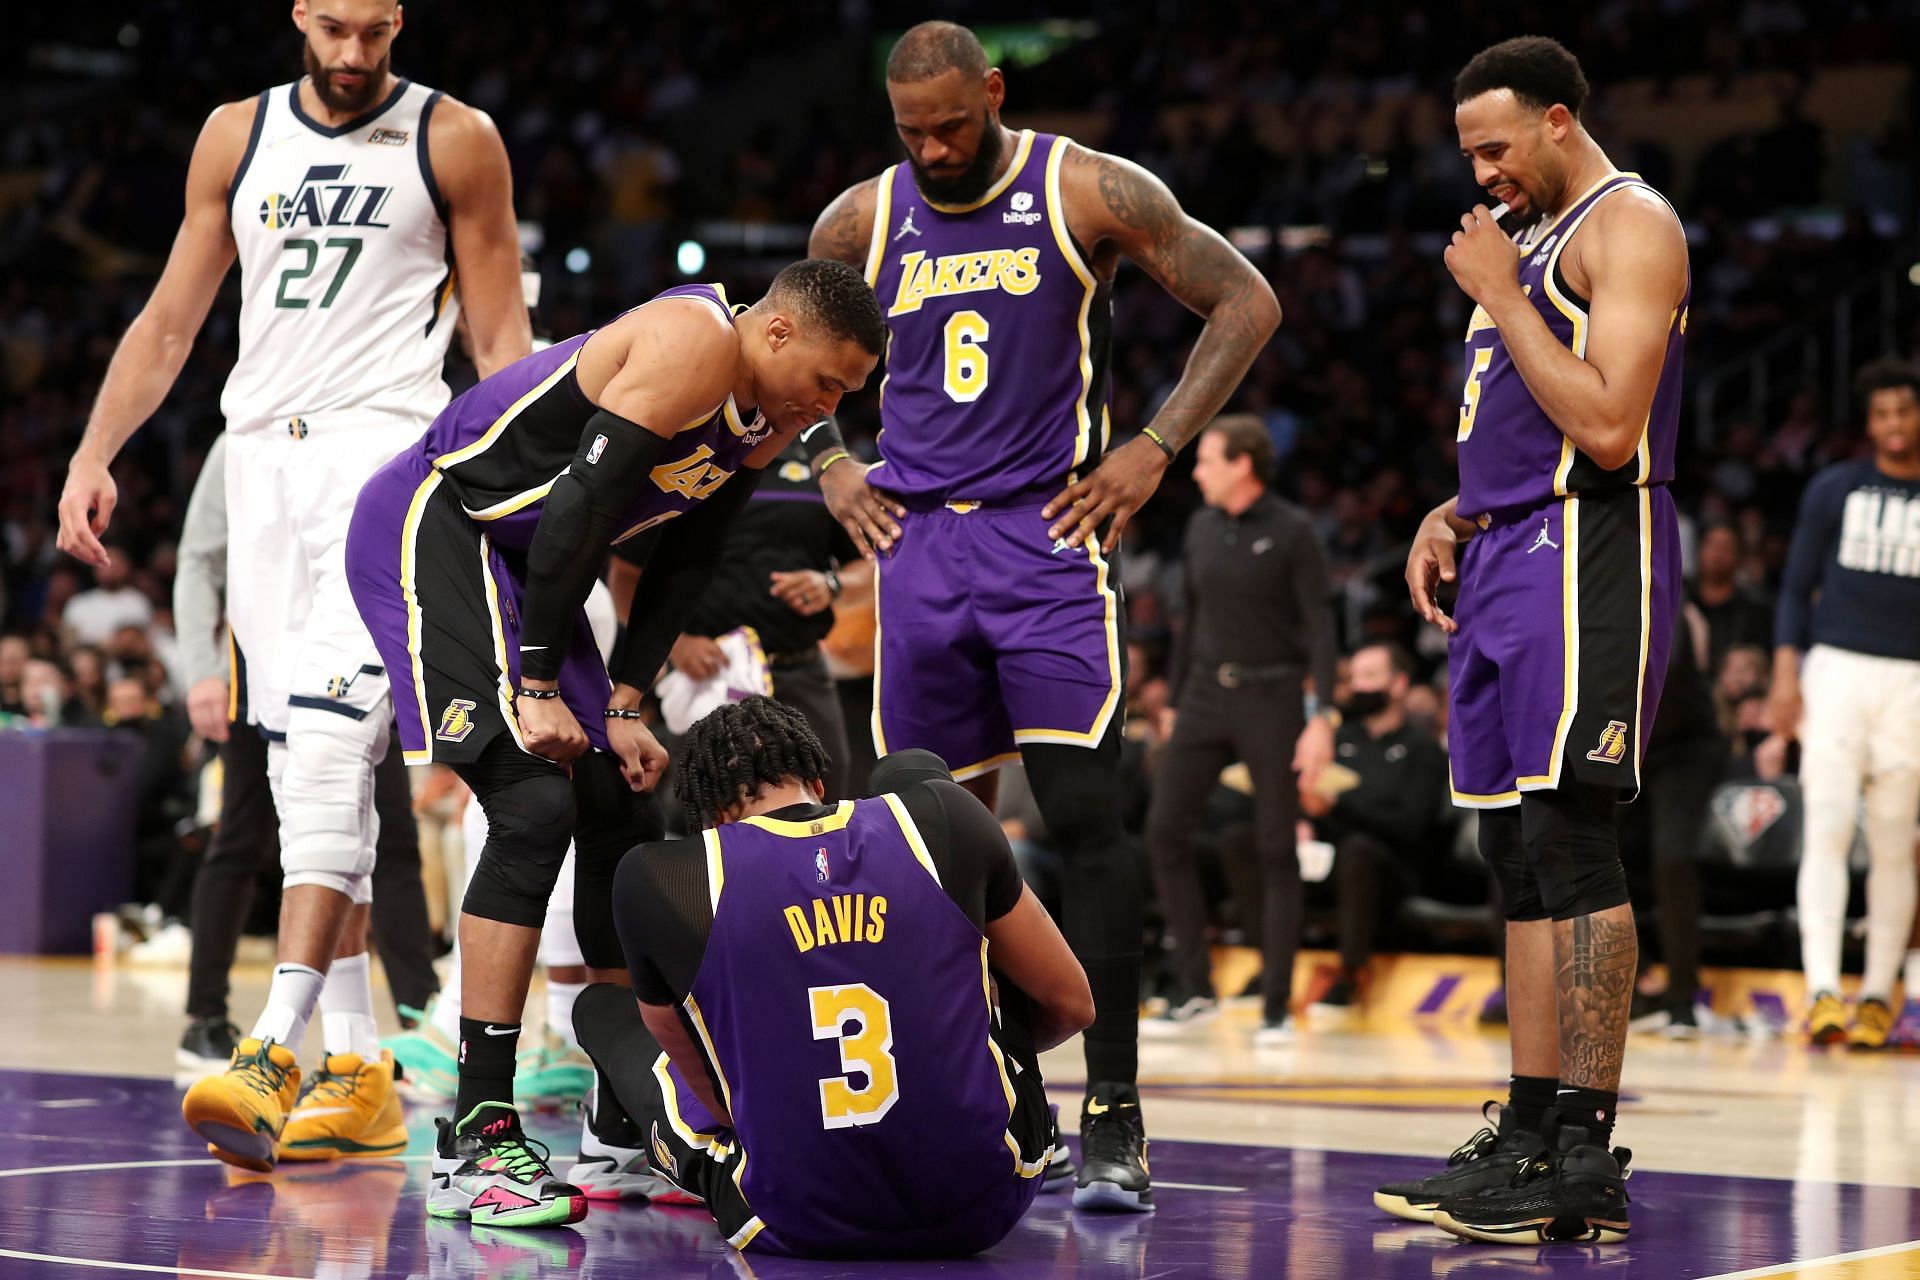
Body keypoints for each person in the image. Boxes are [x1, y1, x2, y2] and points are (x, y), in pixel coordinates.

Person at [804, 19, 1281, 1212]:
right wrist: (826, 459)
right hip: (916, 547)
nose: (935, 148)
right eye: (913, 131)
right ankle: (986, 1093)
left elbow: (1247, 299)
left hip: (1045, 535)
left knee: (1085, 816)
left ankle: (1113, 1106)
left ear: (995, 93)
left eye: (954, 124)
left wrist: (1159, 447)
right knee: (927, 839)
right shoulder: (861, 218)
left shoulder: (1086, 186)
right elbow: (776, 343)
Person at [53, 0, 529, 1173]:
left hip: (386, 456)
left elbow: (500, 325)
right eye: (338, 29)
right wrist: (94, 450)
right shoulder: (236, 133)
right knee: (302, 770)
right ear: (301, 17)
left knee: (324, 746)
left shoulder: (455, 135)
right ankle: (360, 1066)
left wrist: (525, 493)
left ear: (400, 21)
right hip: (260, 460)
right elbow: (172, 318)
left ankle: (275, 1038)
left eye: (377, 31)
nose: (358, 53)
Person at [345, 260, 884, 1228]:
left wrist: (628, 697)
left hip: (527, 564)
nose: (832, 406)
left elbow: (683, 555)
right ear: (776, 335)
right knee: (534, 798)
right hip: (440, 523)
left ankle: (623, 1117)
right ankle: (474, 1137)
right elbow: (579, 513)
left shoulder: (766, 419)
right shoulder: (696, 340)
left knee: (628, 811)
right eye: (831, 380)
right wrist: (542, 683)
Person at [1389, 36, 1688, 1245]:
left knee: (1571, 837)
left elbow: (1610, 425)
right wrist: (1453, 505)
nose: (1484, 172)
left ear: (1560, 119)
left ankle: (1584, 1144)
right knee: (1508, 847)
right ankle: (1524, 1124)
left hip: (1591, 547)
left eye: (1497, 147)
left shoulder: (1632, 224)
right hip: (1508, 546)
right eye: (1469, 152)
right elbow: (1528, 414)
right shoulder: (1539, 241)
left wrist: (1502, 292)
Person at [573, 697, 1093, 1258]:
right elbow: (1072, 1005)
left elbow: (721, 1100)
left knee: (600, 1008)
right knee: (913, 775)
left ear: (713, 818)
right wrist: (966, 1047)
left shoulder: (663, 877)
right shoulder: (942, 816)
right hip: (989, 1198)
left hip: (794, 1218)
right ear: (818, 783)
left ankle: (612, 1139)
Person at [171, 434, 440, 1076]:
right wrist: (203, 670)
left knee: (389, 830)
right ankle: (205, 1013)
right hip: (260, 654)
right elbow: (197, 559)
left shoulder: (372, 422)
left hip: (352, 639)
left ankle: (412, 1016)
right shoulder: (245, 433)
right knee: (243, 832)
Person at [1142, 415, 1338, 1042]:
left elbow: (1321, 629)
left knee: (1277, 847)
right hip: (1202, 691)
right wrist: (1172, 701)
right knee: (1164, 830)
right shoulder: (1199, 528)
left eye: (1207, 461)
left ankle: (1278, 1002)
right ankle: (1196, 986)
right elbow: (1189, 622)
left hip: (1273, 694)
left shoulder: (1293, 532)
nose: (1196, 472)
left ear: (1242, 464)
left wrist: (1323, 716)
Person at [1763, 357, 1920, 1050]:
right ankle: (1824, 989)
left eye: (1904, 412)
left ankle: (1881, 994)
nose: (1893, 425)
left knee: (1894, 840)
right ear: (1868, 423)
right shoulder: (1834, 487)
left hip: (1911, 680)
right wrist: (1784, 676)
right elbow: (1795, 589)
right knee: (1825, 826)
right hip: (1836, 669)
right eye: (1882, 414)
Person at [616, 438, 872, 800]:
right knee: (703, 805)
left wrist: (831, 584)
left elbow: (868, 560)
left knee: (828, 800)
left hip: (799, 670)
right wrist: (675, 645)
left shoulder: (823, 465)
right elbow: (624, 576)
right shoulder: (690, 457)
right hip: (710, 673)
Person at [1301, 642, 1450, 1010]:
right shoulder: (1339, 740)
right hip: (1329, 860)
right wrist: (1305, 819)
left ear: (1399, 684)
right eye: (1353, 678)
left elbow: (1411, 827)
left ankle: (1350, 974)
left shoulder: (1422, 750)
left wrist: (1340, 805)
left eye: (1369, 676)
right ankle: (1264, 966)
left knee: (1359, 850)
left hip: (1394, 871)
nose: (1358, 687)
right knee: (1254, 839)